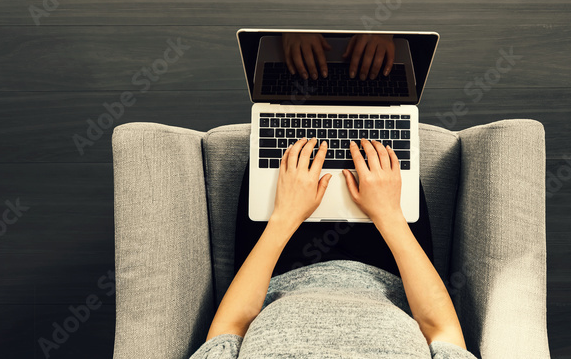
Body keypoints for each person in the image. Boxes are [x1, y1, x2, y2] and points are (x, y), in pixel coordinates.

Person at [188, 136, 476, 358]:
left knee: (292, 102)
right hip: (393, 265)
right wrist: (389, 216)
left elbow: (229, 331)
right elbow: (442, 331)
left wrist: (284, 217)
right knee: (375, 101)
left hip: (276, 265)